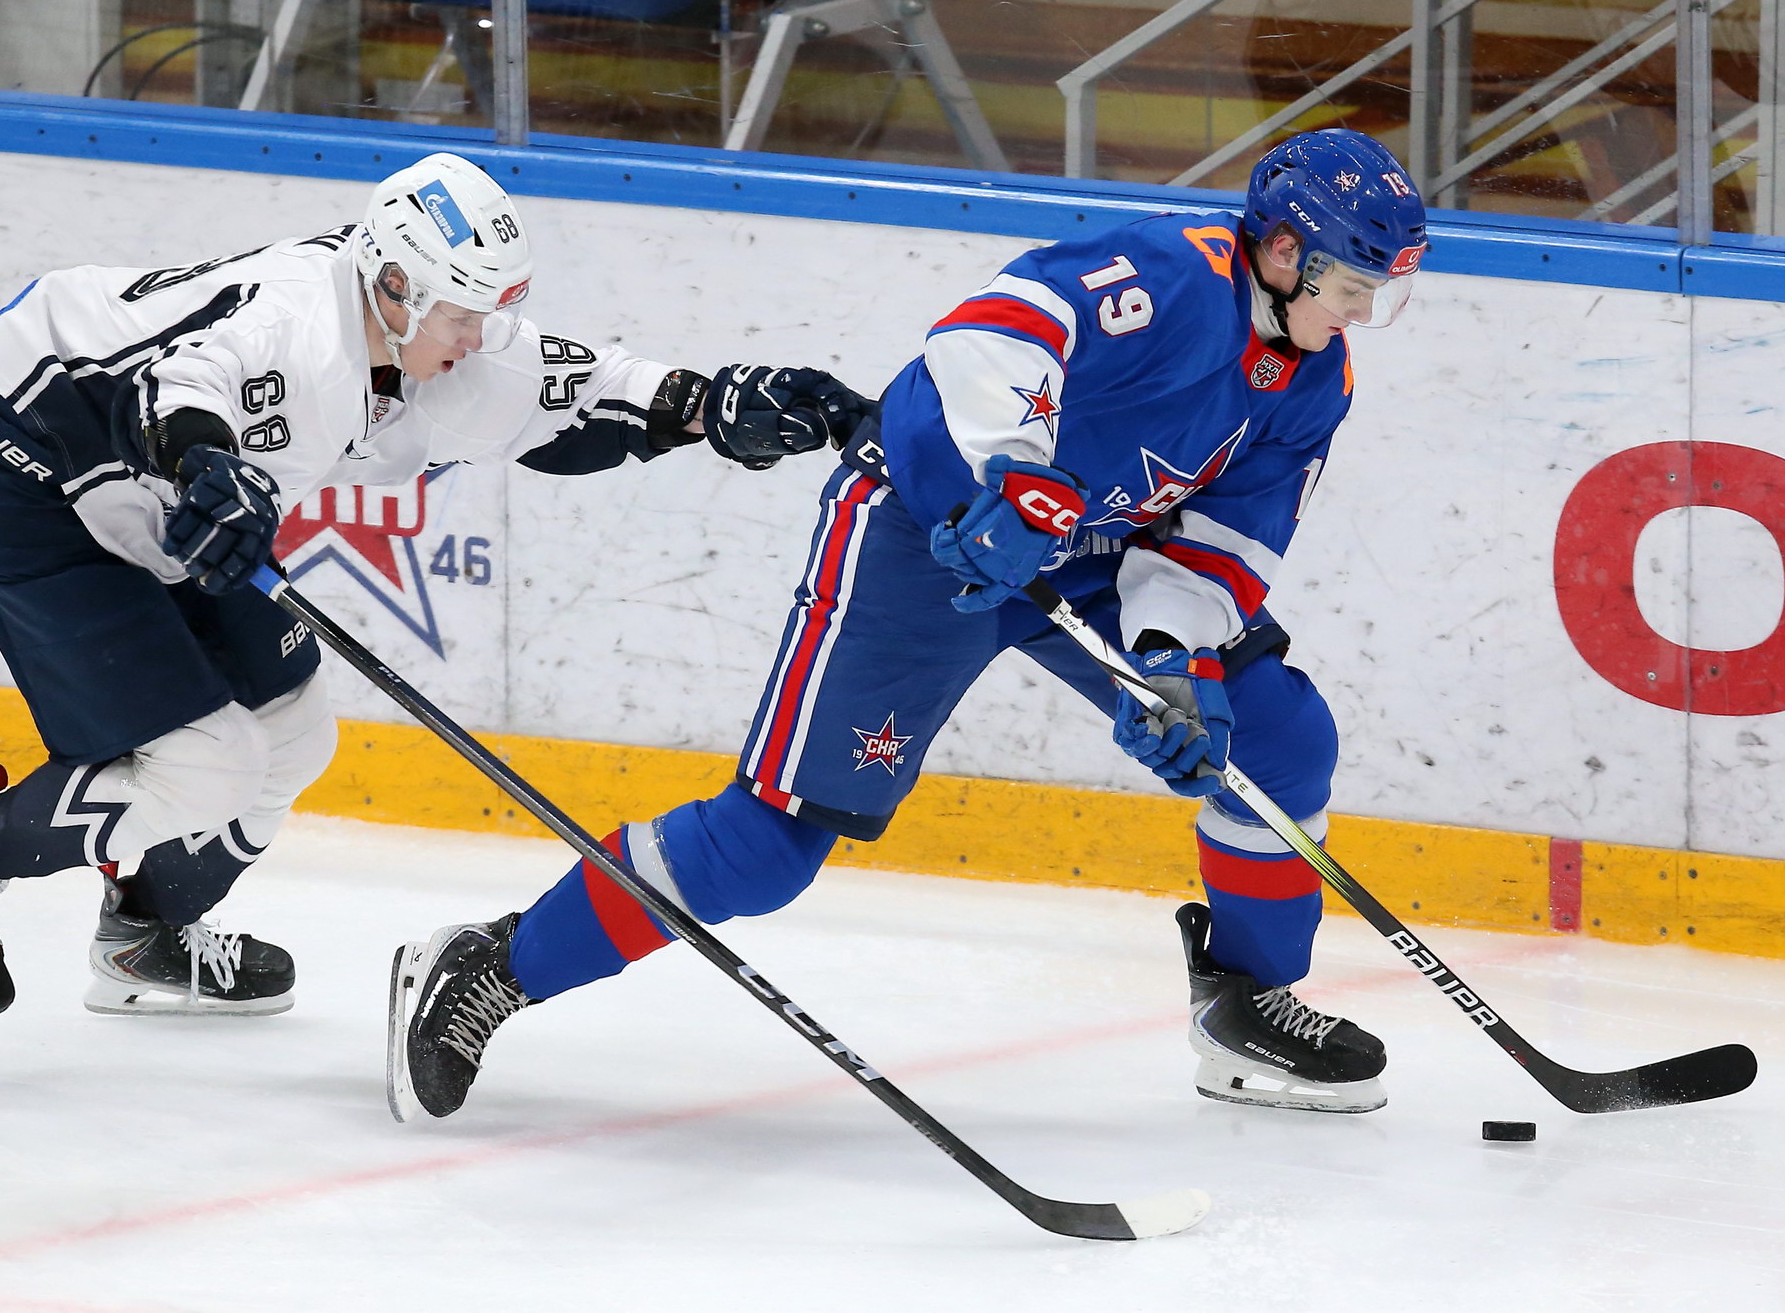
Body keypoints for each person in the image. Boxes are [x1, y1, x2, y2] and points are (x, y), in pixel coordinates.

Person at [387, 128, 1429, 1120]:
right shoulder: (1173, 276)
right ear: (1281, 251)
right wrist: (1014, 471)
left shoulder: (1315, 379)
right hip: (927, 530)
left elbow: (1223, 538)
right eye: (1350, 287)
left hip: (1088, 556)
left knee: (1278, 734)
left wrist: (1166, 656)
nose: (1360, 314)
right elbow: (994, 330)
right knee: (765, 850)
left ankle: (1245, 1002)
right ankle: (494, 965)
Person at [0, 152, 863, 1033]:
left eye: (486, 312)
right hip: (36, 469)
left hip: (170, 496)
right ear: (393, 284)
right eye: (462, 313)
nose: (478, 335)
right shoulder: (298, 323)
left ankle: (145, 935)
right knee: (205, 765)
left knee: (294, 738)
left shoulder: (436, 339)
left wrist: (707, 405)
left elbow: (585, 391)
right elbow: (177, 387)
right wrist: (210, 469)